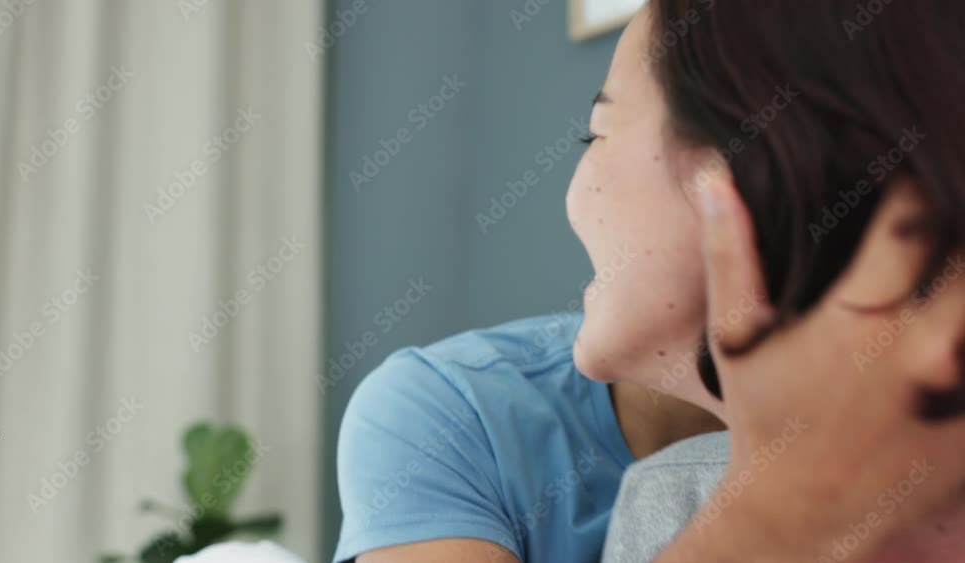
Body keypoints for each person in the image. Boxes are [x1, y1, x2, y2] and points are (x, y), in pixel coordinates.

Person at [333, 0, 965, 561]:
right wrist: (778, 514)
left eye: (598, 132)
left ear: (743, 179)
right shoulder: (453, 412)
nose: (575, 192)